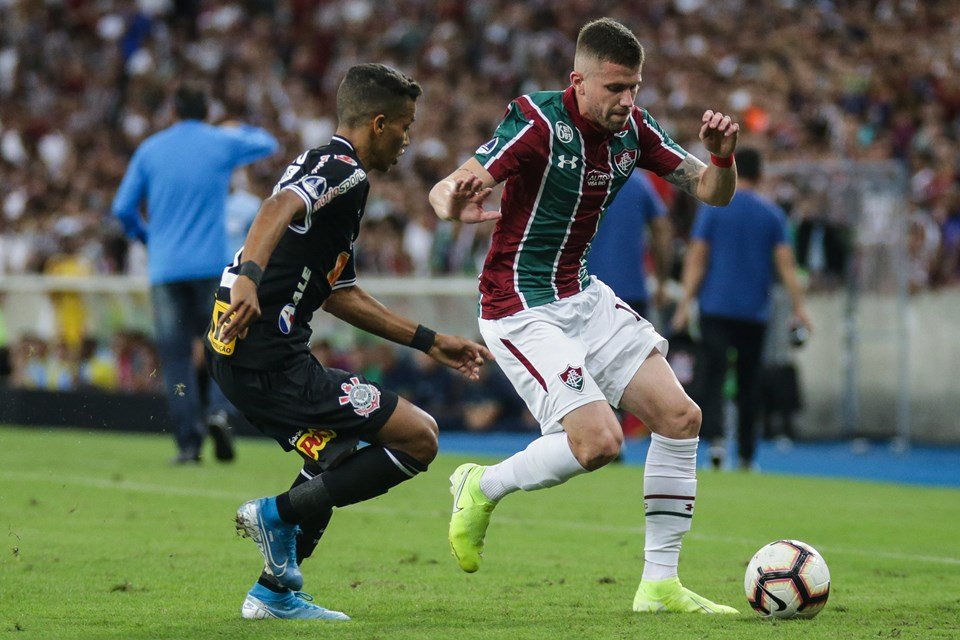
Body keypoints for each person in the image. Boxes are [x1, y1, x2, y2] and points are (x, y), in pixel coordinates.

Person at [429, 18, 740, 614]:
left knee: (680, 417)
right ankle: (481, 484)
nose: (628, 101)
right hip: (519, 306)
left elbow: (712, 191)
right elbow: (454, 183)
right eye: (616, 88)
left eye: (635, 88)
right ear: (579, 80)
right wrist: (450, 202)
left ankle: (659, 586)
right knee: (598, 444)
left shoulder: (636, 130)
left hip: (582, 297)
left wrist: (722, 159)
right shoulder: (538, 120)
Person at [206, 63, 493, 621]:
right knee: (420, 438)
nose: (409, 139)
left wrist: (430, 341)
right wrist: (250, 276)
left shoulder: (335, 176)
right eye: (406, 126)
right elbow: (277, 207)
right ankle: (275, 518)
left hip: (244, 352)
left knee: (335, 458)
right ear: (379, 123)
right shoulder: (343, 169)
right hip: (267, 354)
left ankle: (274, 592)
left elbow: (341, 293)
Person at [112, 83, 279, 464]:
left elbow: (122, 207)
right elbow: (267, 143)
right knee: (223, 347)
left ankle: (188, 444)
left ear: (172, 112)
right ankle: (220, 411)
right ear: (206, 111)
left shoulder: (151, 149)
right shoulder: (219, 142)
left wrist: (147, 238)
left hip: (166, 268)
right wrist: (232, 128)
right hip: (211, 267)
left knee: (177, 361)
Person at [671, 147, 811, 470]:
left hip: (715, 307)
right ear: (760, 174)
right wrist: (800, 307)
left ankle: (717, 443)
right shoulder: (772, 214)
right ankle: (747, 454)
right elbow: (788, 267)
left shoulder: (713, 209)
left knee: (715, 376)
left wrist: (685, 303)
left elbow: (697, 258)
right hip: (753, 311)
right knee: (749, 381)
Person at [587, 170, 671, 321]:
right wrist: (662, 280)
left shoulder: (577, 179)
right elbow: (661, 230)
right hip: (630, 292)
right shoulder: (638, 182)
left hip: (584, 292)